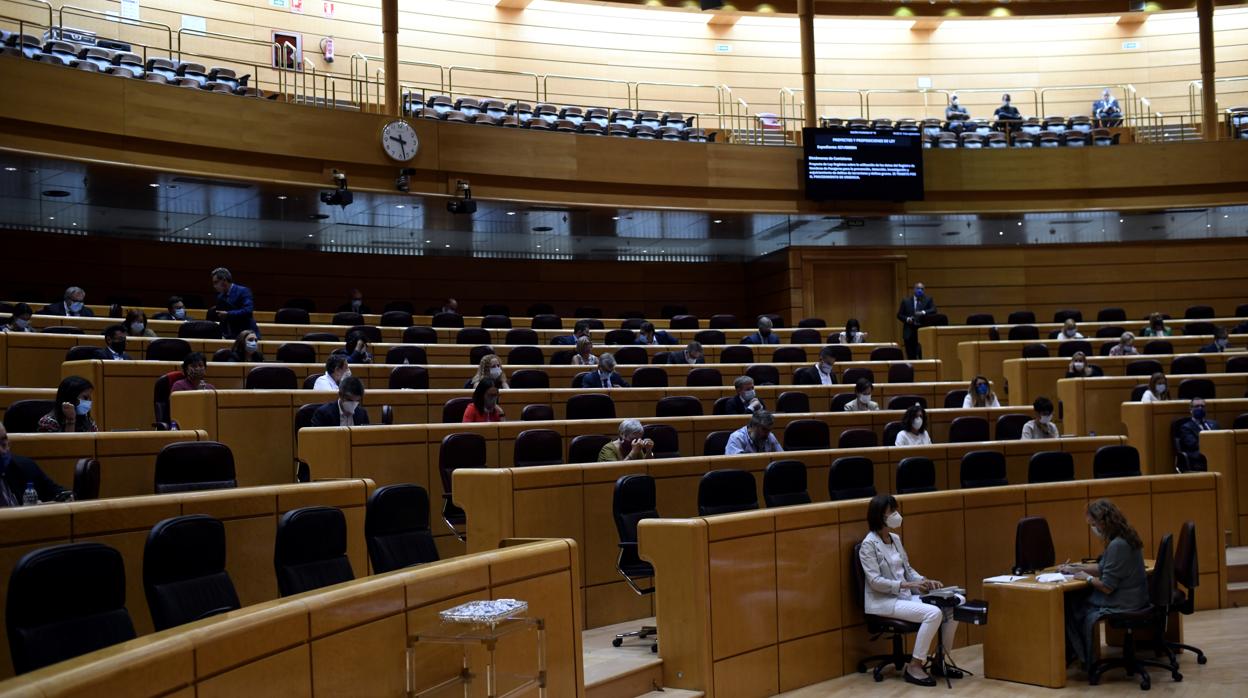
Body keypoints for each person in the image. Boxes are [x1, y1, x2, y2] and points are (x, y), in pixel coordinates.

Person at [859, 494, 960, 687]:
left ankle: (939, 662)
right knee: (933, 613)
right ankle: (915, 666)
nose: (897, 515)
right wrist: (906, 585)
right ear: (880, 516)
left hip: (904, 596)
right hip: (883, 602)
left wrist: (924, 580)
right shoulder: (868, 545)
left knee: (952, 605)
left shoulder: (895, 538)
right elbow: (875, 582)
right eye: (892, 512)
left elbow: (907, 569)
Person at [1060, 499, 1148, 670]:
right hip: (1136, 596)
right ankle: (1080, 654)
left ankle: (1084, 657)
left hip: (1124, 602)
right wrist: (1075, 568)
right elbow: (1104, 567)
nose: (1093, 529)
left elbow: (1107, 587)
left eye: (1093, 525)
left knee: (1071, 602)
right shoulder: (1126, 536)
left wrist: (1085, 577)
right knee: (1076, 598)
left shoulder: (1117, 545)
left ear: (1103, 522)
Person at [0, 424, 70, 505]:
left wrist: (42, 507)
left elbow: (64, 496)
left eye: (3, 443)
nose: (2, 451)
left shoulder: (24, 467)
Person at [209, 267, 258, 339]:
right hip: (229, 335)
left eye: (216, 282)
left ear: (224, 280)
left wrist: (228, 314)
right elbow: (223, 319)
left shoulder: (243, 291)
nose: (214, 286)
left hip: (246, 333)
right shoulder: (220, 297)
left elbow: (248, 311)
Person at [1176, 397, 1218, 470]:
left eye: (1202, 406)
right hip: (1199, 458)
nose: (1200, 408)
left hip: (1217, 453)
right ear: (1191, 409)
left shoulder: (1214, 424)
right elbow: (1193, 445)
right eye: (1197, 406)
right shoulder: (1185, 427)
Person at [896, 282, 936, 360]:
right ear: (914, 289)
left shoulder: (928, 300)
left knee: (923, 355)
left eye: (922, 289)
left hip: (922, 331)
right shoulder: (906, 301)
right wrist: (907, 319)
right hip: (909, 332)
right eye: (918, 288)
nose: (920, 290)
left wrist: (923, 312)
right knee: (911, 356)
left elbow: (933, 310)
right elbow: (899, 315)